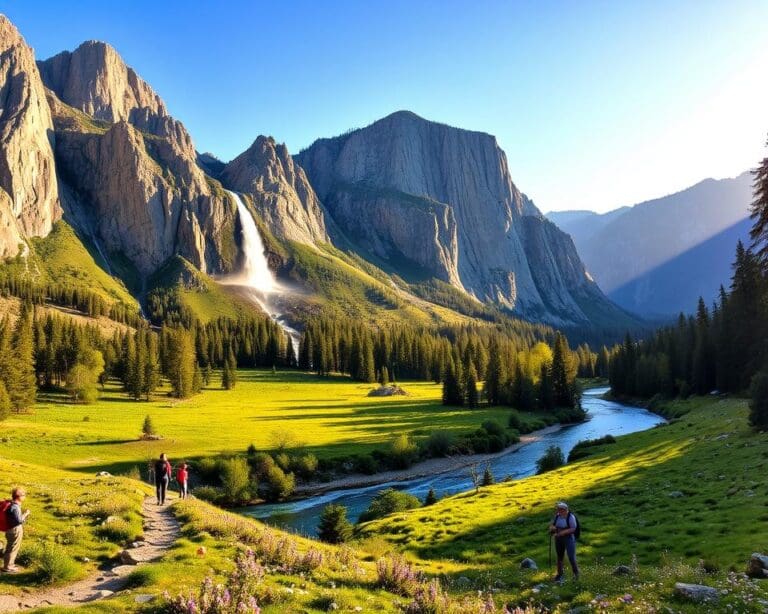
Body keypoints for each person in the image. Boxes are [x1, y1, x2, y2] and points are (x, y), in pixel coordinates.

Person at [548, 501, 579, 582]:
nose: (560, 511)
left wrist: (563, 532)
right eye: (559, 509)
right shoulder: (557, 516)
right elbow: (552, 525)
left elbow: (573, 528)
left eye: (562, 509)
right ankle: (559, 574)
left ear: (566, 509)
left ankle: (576, 574)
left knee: (571, 557)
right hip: (558, 538)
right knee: (559, 556)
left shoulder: (570, 517)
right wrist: (552, 528)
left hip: (569, 538)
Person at [3, 487, 30, 573]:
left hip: (9, 529)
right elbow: (19, 521)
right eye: (23, 495)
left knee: (11, 547)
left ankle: (9, 564)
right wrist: (25, 514)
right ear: (19, 496)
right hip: (14, 529)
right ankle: (8, 567)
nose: (24, 497)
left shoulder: (11, 504)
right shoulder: (15, 506)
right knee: (12, 548)